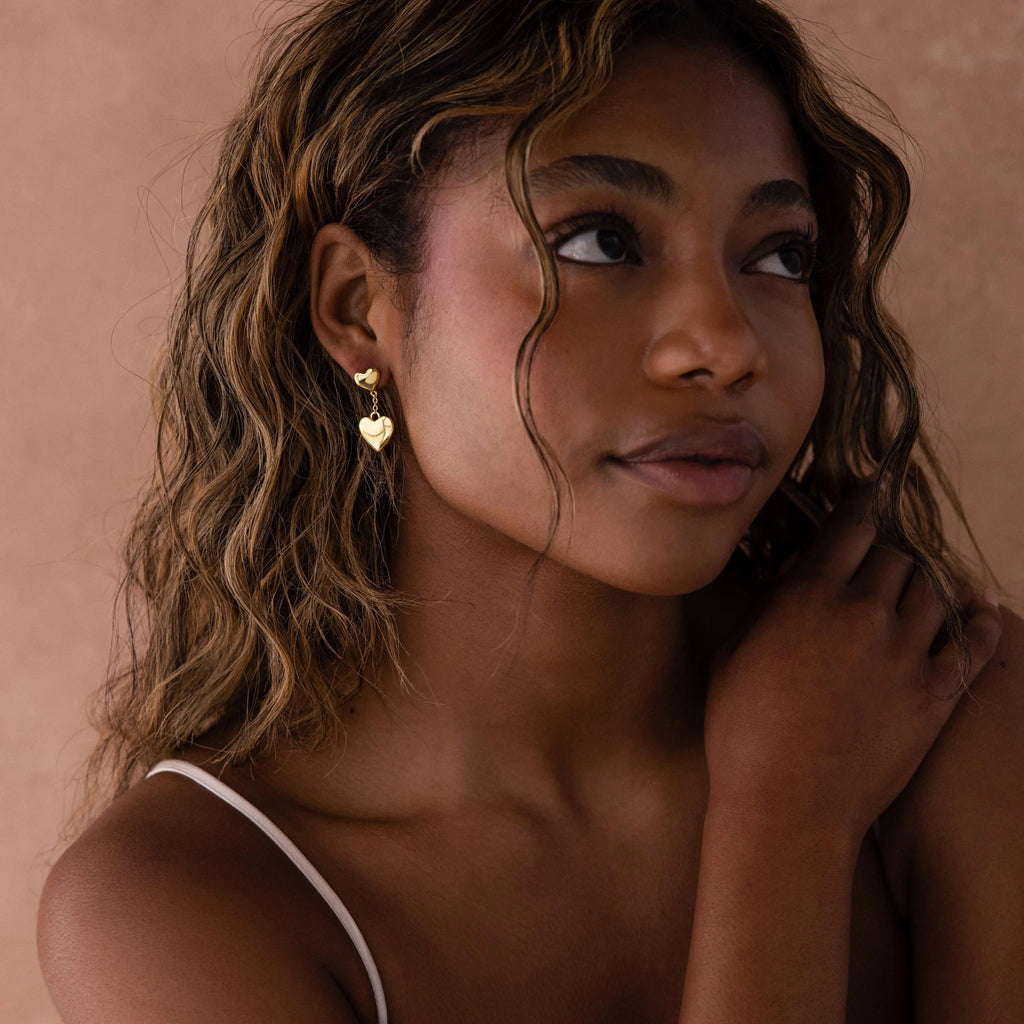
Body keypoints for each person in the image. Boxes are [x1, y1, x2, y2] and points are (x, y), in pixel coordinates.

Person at [36, 0, 1022, 1021]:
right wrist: (788, 823)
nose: (727, 345)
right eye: (600, 241)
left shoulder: (940, 703)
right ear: (356, 308)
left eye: (777, 256)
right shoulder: (189, 902)